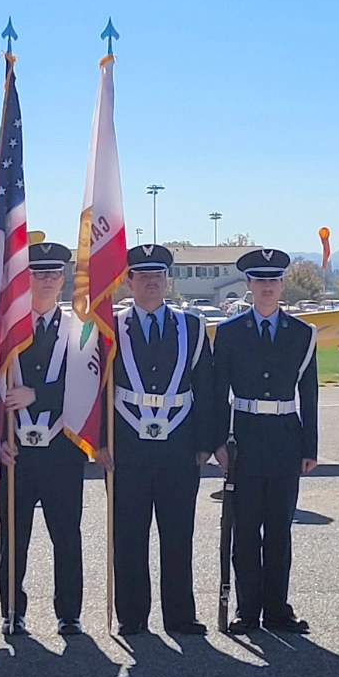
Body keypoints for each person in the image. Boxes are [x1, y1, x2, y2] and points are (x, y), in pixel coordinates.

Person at [96, 244, 214, 636]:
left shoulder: (191, 326)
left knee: (178, 533)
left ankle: (180, 615)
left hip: (179, 444)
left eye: (158, 276)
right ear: (128, 281)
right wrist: (99, 442)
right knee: (129, 534)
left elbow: (207, 387)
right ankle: (132, 616)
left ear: (167, 281)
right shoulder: (108, 325)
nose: (151, 282)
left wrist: (206, 441)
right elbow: (95, 388)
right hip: (125, 442)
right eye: (142, 276)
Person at [212, 248, 318, 635]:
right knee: (245, 529)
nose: (268, 287)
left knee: (279, 530)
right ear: (249, 285)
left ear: (282, 285)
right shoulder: (228, 333)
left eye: (274, 280)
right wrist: (219, 441)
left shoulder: (303, 334)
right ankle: (247, 609)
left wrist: (310, 447)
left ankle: (277, 609)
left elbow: (309, 394)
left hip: (285, 439)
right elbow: (217, 391)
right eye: (261, 280)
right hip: (244, 438)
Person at [0, 241, 88, 636]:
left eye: (53, 273)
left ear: (63, 278)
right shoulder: (3, 329)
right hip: (15, 452)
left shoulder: (78, 329)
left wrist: (37, 394)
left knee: (66, 537)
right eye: (38, 273)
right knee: (14, 541)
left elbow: (87, 387)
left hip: (61, 451)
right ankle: (12, 611)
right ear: (25, 278)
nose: (47, 280)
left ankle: (69, 613)